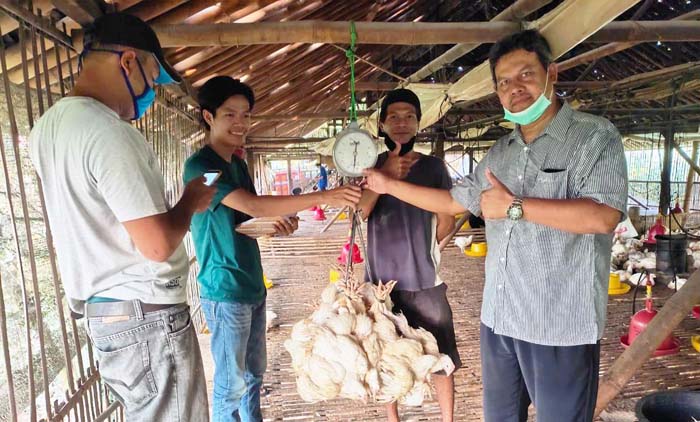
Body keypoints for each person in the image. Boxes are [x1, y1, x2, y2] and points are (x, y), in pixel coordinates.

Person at [363, 30, 628, 422]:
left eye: (525, 75)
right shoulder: (499, 153)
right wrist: (387, 185)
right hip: (500, 319)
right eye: (504, 82)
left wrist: (516, 207)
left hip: (557, 323)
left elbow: (603, 215)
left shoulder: (593, 137)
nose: (514, 88)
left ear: (551, 73)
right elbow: (453, 201)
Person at [28, 13, 213, 421]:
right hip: (146, 316)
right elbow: (156, 245)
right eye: (151, 77)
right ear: (127, 61)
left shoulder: (47, 128)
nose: (150, 94)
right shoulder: (107, 131)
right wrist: (190, 200)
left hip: (106, 315)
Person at [183, 76, 362, 422]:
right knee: (230, 384)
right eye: (230, 115)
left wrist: (277, 224)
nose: (241, 123)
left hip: (251, 282)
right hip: (224, 287)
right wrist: (326, 195)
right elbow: (251, 205)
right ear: (208, 117)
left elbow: (243, 220)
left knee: (253, 376)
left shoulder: (236, 164)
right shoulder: (202, 168)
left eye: (246, 115)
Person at [358, 89, 462, 422]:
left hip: (424, 280)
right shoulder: (371, 166)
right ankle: (393, 418)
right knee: (385, 355)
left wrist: (426, 248)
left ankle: (447, 419)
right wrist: (385, 172)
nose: (402, 123)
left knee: (441, 355)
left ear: (419, 123)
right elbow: (361, 212)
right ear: (382, 123)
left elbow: (447, 216)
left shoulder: (433, 167)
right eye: (394, 117)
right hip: (380, 283)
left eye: (410, 117)